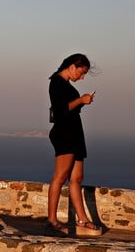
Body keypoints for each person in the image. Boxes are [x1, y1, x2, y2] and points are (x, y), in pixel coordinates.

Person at [46, 53, 102, 237]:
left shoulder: (67, 85)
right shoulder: (56, 83)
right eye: (82, 72)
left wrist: (82, 102)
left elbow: (70, 108)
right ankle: (52, 221)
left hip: (75, 133)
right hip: (64, 134)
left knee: (77, 178)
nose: (82, 77)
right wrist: (81, 100)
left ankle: (82, 220)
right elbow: (61, 109)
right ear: (72, 66)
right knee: (60, 176)